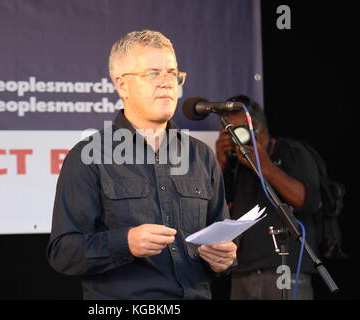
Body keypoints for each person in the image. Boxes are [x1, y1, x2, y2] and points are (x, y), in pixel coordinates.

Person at [47, 30, 236, 299]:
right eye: (153, 73)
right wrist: (125, 243)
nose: (167, 82)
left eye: (172, 73)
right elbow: (63, 252)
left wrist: (224, 259)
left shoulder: (201, 156)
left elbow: (220, 238)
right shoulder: (88, 156)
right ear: (122, 85)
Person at [215, 95, 321, 300]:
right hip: (242, 268)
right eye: (227, 132)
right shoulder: (235, 163)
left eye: (237, 131)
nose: (233, 138)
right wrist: (221, 163)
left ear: (257, 127)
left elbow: (307, 201)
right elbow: (215, 207)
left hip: (284, 266)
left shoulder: (291, 151)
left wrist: (266, 167)